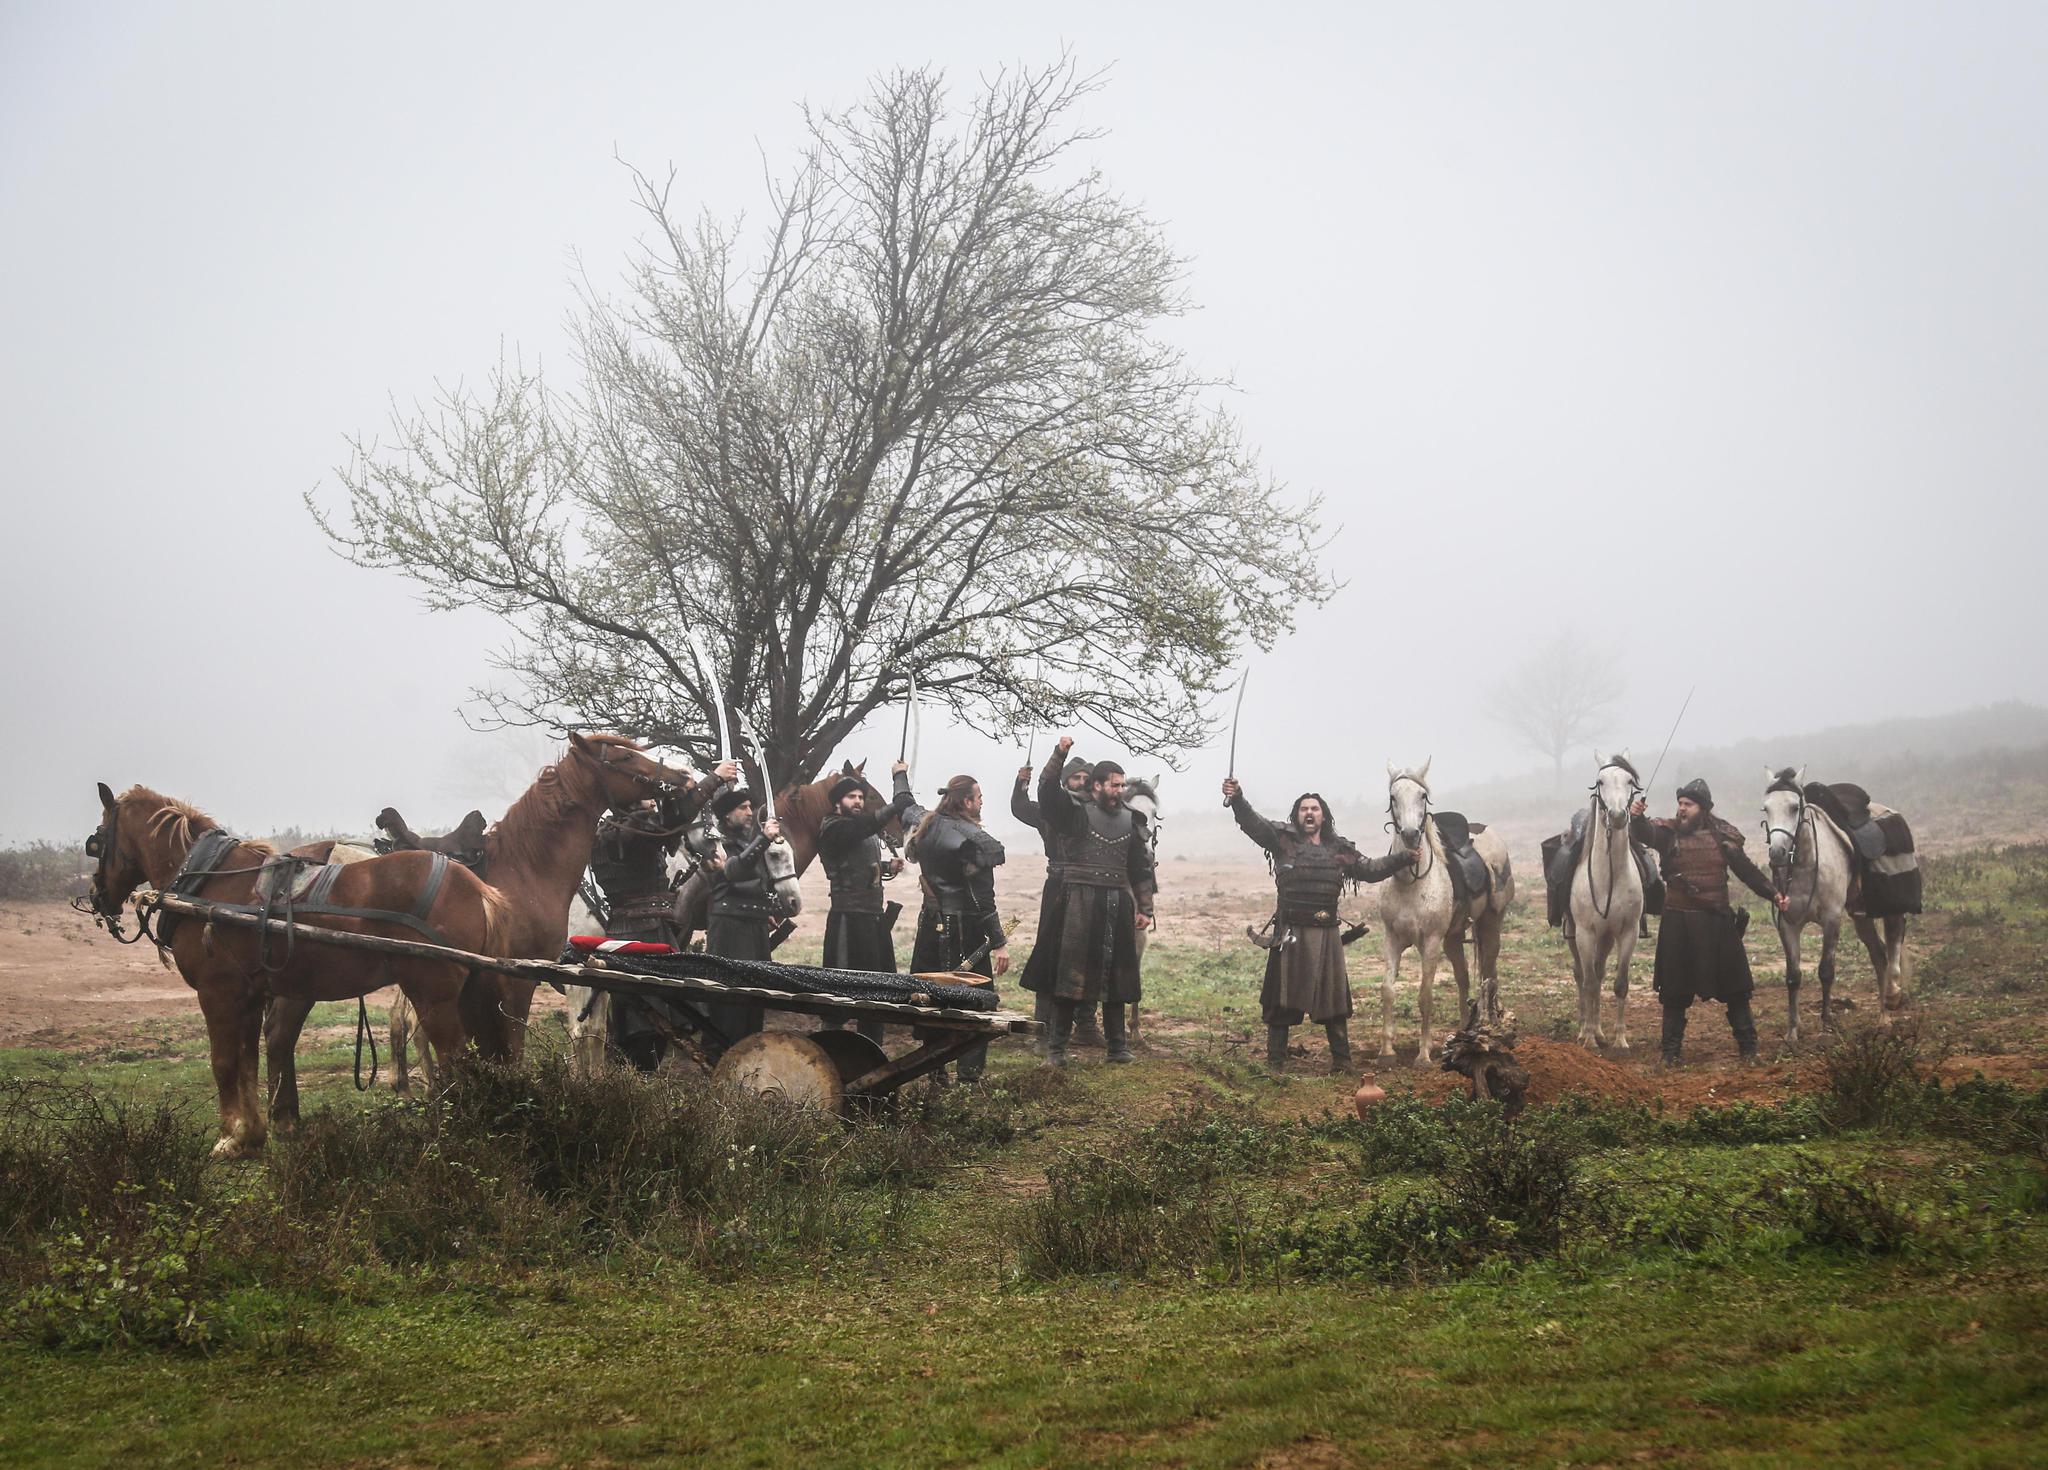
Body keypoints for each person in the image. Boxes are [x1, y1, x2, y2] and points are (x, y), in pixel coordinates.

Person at [1223, 779, 1416, 1073]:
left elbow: (1370, 869)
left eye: (1314, 808)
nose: (1309, 813)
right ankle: (1275, 1063)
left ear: (1324, 815)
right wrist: (1237, 799)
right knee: (1280, 1000)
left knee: (1333, 1000)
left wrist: (1403, 858)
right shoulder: (1281, 839)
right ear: (1296, 815)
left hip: (1327, 934)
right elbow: (1254, 823)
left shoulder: (1339, 848)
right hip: (1289, 933)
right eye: (1303, 809)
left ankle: (1342, 1062)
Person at [588, 759, 737, 1069]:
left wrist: (693, 787)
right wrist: (713, 780)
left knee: (651, 1023)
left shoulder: (619, 829)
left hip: (642, 929)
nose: (654, 799)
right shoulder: (626, 830)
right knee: (644, 1026)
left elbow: (670, 822)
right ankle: (635, 1091)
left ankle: (635, 1085)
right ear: (629, 801)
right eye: (647, 795)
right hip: (641, 934)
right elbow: (672, 819)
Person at [1630, 779, 1788, 1067]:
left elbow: (1747, 871)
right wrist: (1636, 816)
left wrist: (1773, 893)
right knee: (1674, 993)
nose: (1681, 809)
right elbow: (1644, 834)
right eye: (1679, 804)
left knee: (1737, 990)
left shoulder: (1723, 836)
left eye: (1687, 805)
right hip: (1678, 923)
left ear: (1702, 808)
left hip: (1717, 923)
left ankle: (1748, 1049)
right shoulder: (1668, 833)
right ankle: (1670, 1054)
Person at [1021, 737, 1155, 1066]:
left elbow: (1140, 867)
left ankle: (1117, 1048)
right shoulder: (1073, 813)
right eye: (1114, 785)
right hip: (1076, 903)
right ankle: (1056, 1050)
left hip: (1116, 905)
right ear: (1096, 785)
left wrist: (1145, 907)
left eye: (1123, 785)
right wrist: (1058, 755)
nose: (1120, 790)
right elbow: (1048, 793)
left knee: (1116, 978)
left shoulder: (1132, 820)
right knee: (1070, 977)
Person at [907, 775, 1009, 1082]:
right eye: (978, 797)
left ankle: (934, 1071)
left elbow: (904, 804)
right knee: (975, 1001)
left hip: (930, 926)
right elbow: (982, 898)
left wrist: (900, 774)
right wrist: (999, 941)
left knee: (931, 996)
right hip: (965, 932)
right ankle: (967, 1078)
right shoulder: (973, 840)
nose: (981, 802)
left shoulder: (925, 824)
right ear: (966, 801)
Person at [817, 761, 922, 1042]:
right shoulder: (833, 828)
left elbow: (860, 862)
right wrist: (894, 805)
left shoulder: (860, 830)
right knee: (838, 992)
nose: (858, 801)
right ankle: (830, 1049)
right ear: (838, 801)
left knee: (876, 992)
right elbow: (858, 831)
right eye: (852, 797)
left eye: (861, 797)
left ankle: (871, 1050)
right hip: (846, 919)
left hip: (872, 918)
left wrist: (888, 866)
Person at [1012, 754, 1100, 1050]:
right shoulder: (1049, 811)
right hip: (1059, 885)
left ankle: (1086, 1024)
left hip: (1090, 887)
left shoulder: (1097, 811)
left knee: (1090, 954)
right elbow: (1021, 808)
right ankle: (1044, 1025)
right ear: (1064, 782)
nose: (1081, 783)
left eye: (1086, 779)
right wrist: (1020, 784)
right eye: (1075, 778)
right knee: (1051, 953)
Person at [695, 785, 787, 1046]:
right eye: (742, 808)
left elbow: (755, 883)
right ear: (726, 815)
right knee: (729, 998)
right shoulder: (716, 843)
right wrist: (763, 839)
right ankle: (719, 1059)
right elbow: (734, 871)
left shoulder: (749, 842)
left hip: (754, 927)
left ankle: (746, 1058)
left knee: (755, 998)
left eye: (750, 807)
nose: (749, 812)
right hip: (729, 929)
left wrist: (764, 910)